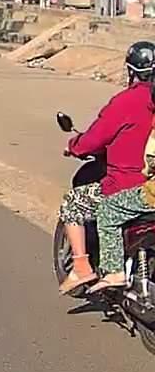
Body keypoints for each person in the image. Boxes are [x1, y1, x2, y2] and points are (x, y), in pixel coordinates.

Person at [56, 41, 155, 294]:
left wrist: (74, 146)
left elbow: (95, 138)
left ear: (131, 70)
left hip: (130, 185)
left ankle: (83, 267)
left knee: (74, 202)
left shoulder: (127, 101)